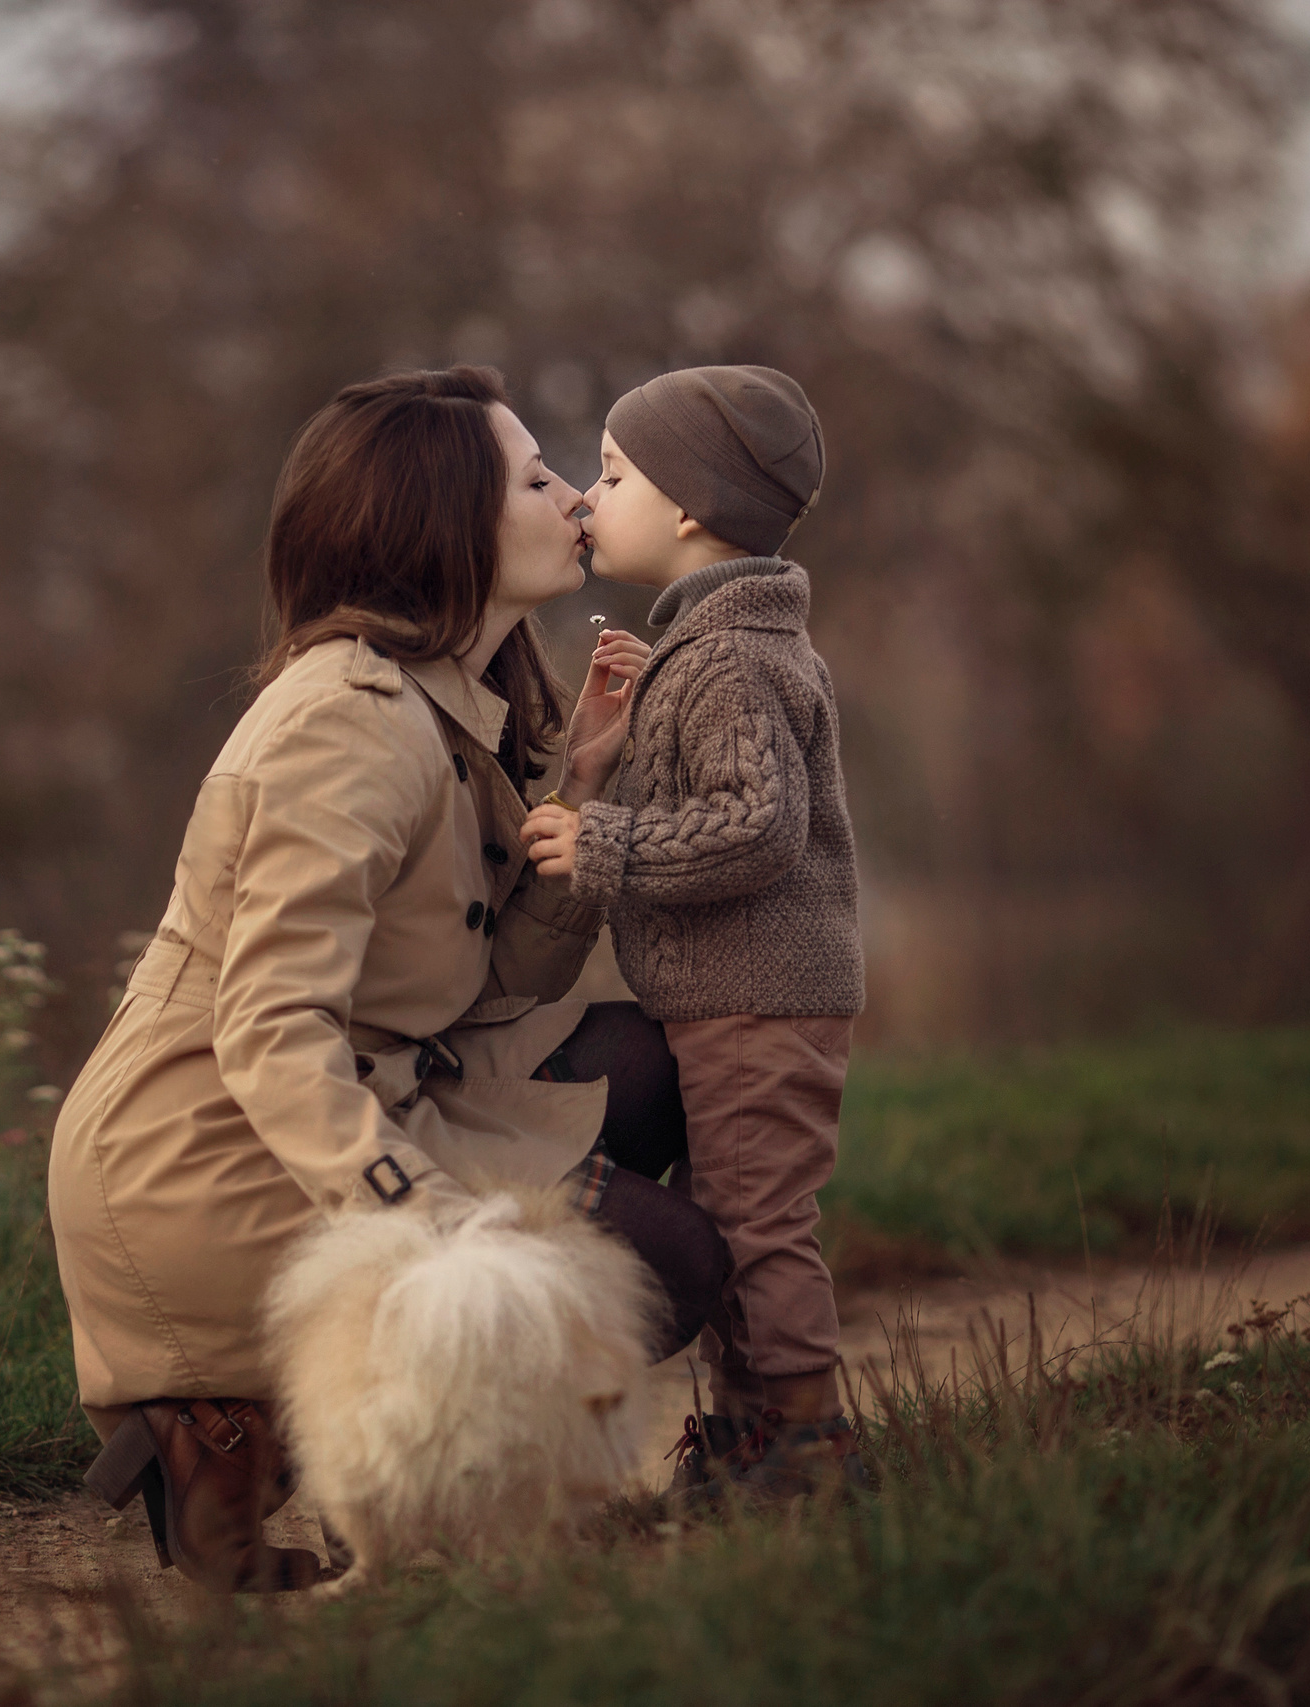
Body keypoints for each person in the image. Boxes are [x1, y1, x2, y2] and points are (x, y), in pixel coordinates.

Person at [49, 366, 731, 1591]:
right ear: (442, 522)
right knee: (669, 1265)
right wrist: (427, 1217)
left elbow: (488, 983)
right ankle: (245, 1416)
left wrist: (579, 788)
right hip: (213, 1155)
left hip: (356, 1093)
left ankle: (275, 1424)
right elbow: (271, 1030)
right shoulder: (347, 720)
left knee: (658, 1060)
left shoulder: (436, 704)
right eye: (536, 479)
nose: (576, 499)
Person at [520, 365, 868, 1503]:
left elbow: (756, 828)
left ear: (689, 509)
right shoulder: (715, 646)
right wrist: (627, 736)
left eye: (614, 475)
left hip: (756, 998)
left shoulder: (726, 658)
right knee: (733, 1214)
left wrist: (602, 840)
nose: (588, 496)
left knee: (756, 1221)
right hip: (736, 994)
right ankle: (746, 1433)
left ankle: (804, 1442)